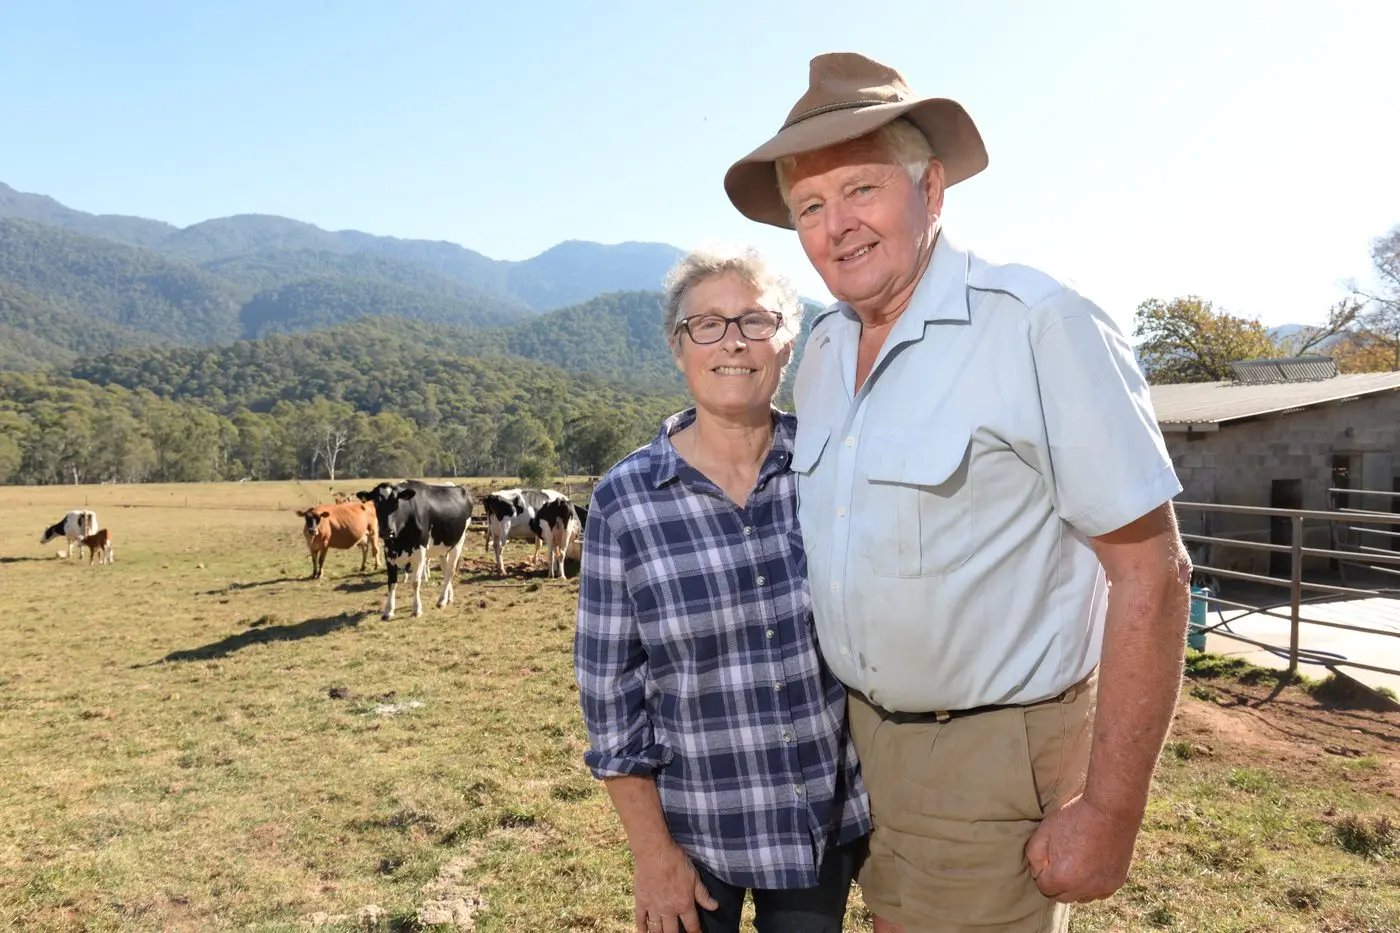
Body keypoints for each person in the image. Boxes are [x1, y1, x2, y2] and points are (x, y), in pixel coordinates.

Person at [721, 52, 1193, 932]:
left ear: (930, 188)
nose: (837, 226)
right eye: (810, 208)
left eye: (861, 189)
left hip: (990, 752)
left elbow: (1153, 574)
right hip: (853, 752)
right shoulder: (822, 352)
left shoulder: (1037, 323)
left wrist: (1111, 811)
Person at [573, 246, 871, 933]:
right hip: (694, 830)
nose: (732, 340)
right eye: (706, 324)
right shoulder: (626, 500)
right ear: (679, 350)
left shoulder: (832, 467)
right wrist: (652, 853)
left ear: (787, 343)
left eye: (755, 321)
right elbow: (610, 700)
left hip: (816, 825)